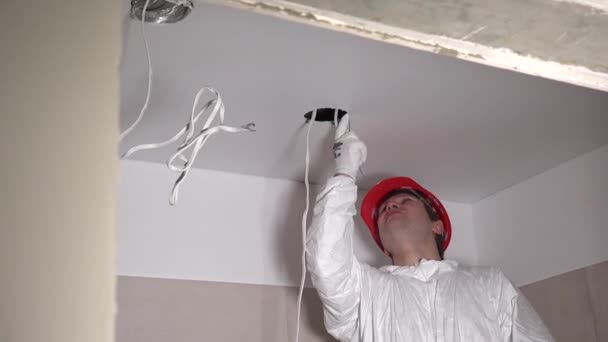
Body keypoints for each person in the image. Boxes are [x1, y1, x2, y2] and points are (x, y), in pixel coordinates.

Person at [306, 115, 554, 342]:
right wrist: (345, 173)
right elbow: (326, 261)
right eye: (383, 210)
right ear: (383, 244)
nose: (391, 205)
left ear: (437, 226)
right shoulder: (365, 292)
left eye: (406, 201)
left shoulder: (489, 285)